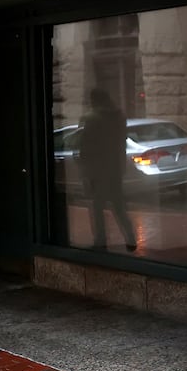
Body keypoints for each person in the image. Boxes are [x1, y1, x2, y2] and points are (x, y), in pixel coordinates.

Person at [78, 89, 136, 252]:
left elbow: (86, 147)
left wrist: (85, 171)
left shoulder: (91, 118)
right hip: (114, 169)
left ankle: (101, 240)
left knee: (97, 208)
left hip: (97, 170)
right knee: (118, 206)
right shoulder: (119, 116)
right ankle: (130, 238)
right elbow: (121, 144)